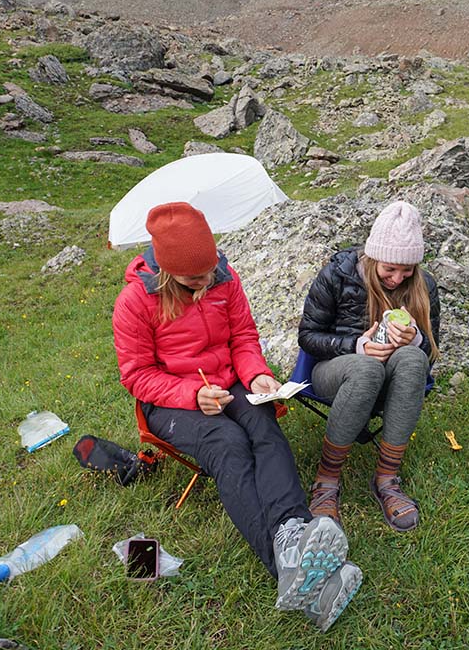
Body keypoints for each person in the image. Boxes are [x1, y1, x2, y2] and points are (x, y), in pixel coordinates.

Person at [112, 202, 362, 631]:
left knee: (262, 424)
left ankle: (292, 532)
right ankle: (285, 566)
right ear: (169, 273)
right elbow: (137, 376)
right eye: (195, 278)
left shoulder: (224, 277)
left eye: (210, 270)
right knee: (226, 443)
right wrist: (192, 392)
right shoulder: (136, 300)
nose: (207, 281)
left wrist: (258, 374)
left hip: (229, 383)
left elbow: (243, 337)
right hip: (169, 401)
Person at [298, 201, 441, 532]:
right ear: (374, 256)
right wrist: (356, 346)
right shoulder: (339, 274)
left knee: (412, 358)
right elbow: (308, 336)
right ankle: (327, 481)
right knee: (366, 369)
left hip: (394, 376)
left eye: (407, 271)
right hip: (333, 370)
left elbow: (431, 357)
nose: (397, 278)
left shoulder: (424, 285)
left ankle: (387, 479)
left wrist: (416, 339)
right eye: (390, 269)